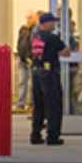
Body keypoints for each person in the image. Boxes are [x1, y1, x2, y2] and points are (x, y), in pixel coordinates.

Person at [28, 11, 68, 145]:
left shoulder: (35, 36)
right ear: (47, 23)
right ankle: (52, 137)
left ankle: (35, 134)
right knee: (53, 105)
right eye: (53, 22)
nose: (54, 24)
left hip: (36, 72)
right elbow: (66, 52)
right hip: (49, 74)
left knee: (38, 105)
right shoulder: (52, 38)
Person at [14, 11, 38, 111]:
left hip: (30, 59)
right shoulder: (23, 29)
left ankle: (32, 104)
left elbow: (33, 45)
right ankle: (20, 103)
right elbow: (20, 42)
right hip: (21, 58)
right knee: (21, 82)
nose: (28, 20)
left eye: (30, 18)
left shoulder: (36, 30)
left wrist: (30, 57)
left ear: (35, 18)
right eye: (27, 18)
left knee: (32, 83)